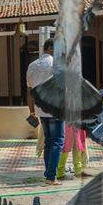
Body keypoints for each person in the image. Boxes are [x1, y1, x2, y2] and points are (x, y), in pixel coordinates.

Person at [27, 39, 64, 185]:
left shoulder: (32, 65)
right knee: (57, 141)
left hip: (40, 109)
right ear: (51, 48)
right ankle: (50, 176)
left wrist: (31, 111)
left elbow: (29, 90)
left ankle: (48, 173)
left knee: (48, 141)